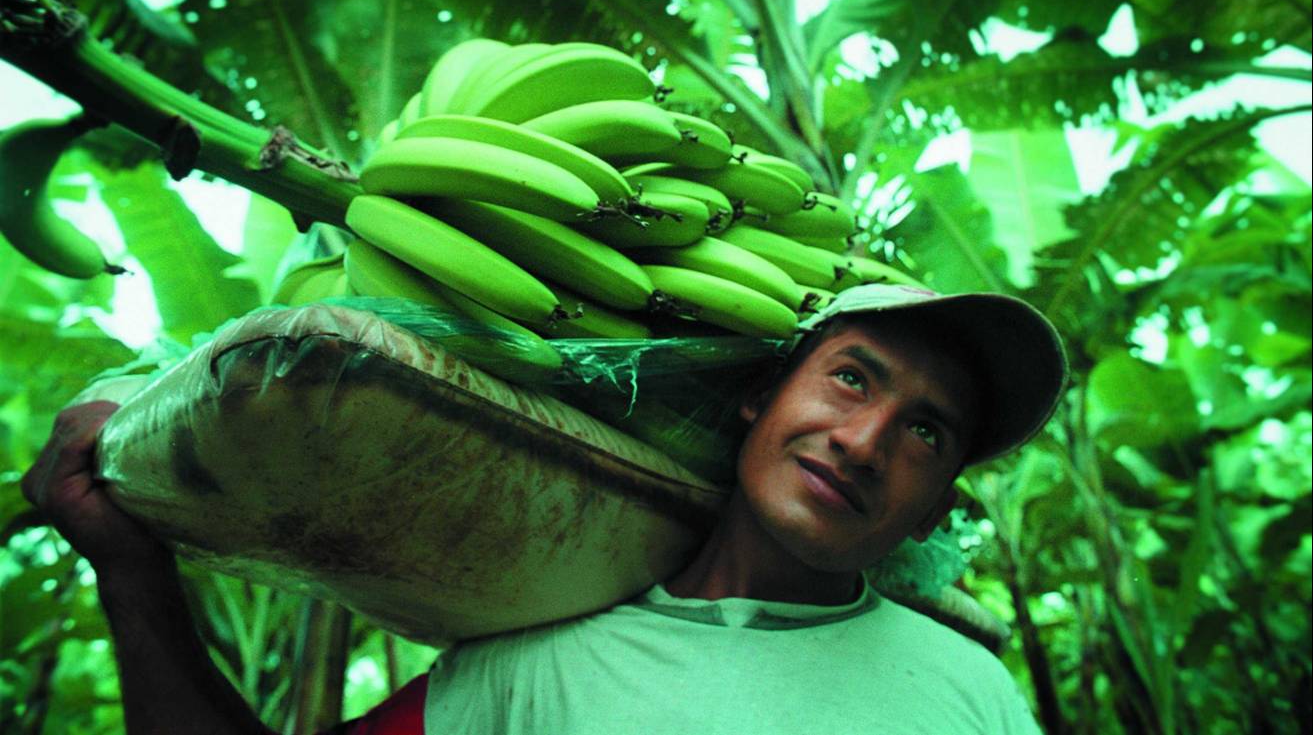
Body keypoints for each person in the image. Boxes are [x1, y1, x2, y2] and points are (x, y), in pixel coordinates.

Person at [23, 282, 1067, 734]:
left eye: (926, 433)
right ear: (759, 394)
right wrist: (129, 566)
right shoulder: (534, 667)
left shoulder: (966, 692)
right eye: (849, 378)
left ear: (934, 511)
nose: (863, 440)